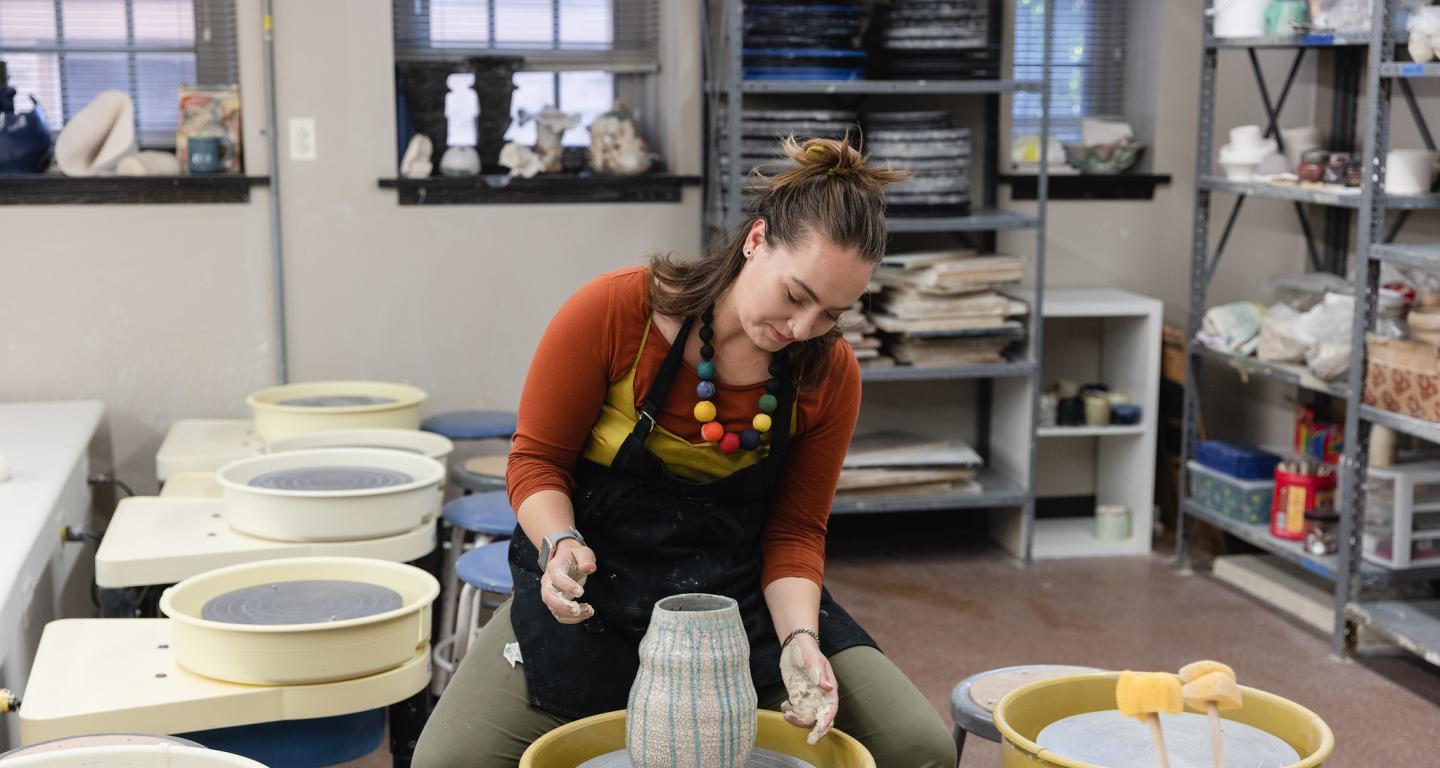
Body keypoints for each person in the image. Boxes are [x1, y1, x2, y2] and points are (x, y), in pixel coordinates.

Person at [413, 136, 957, 767]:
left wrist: (801, 639)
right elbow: (535, 461)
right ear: (756, 241)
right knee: (446, 763)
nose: (803, 329)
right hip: (592, 596)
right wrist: (559, 545)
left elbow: (795, 530)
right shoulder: (617, 312)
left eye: (832, 313)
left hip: (740, 605)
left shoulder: (827, 373)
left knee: (919, 749)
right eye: (796, 296)